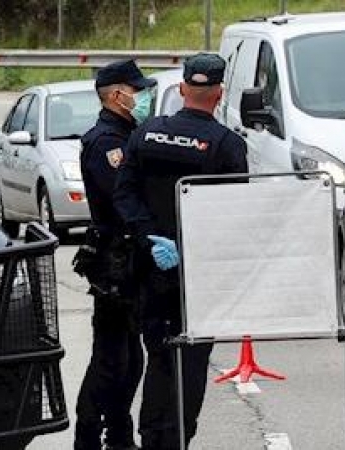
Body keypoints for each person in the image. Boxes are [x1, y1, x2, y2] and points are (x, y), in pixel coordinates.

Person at [113, 53, 248, 450]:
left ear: (184, 89)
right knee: (189, 362)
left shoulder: (147, 133)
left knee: (158, 355)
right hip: (198, 277)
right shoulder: (227, 146)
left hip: (148, 268)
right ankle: (174, 439)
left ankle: (153, 436)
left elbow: (125, 194)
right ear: (219, 94)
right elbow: (233, 215)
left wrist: (149, 238)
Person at [73, 59, 155, 450]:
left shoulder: (128, 133)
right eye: (136, 91)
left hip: (127, 260)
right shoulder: (106, 141)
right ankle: (89, 436)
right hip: (112, 263)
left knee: (128, 359)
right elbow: (122, 198)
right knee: (110, 362)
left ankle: (119, 435)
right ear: (117, 95)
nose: (142, 97)